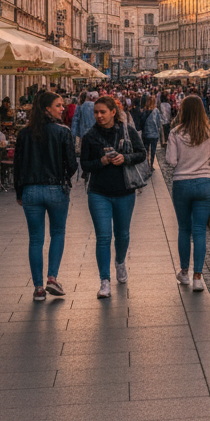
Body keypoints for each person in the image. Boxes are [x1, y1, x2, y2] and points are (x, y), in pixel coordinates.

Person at [80, 95, 146, 299]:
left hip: (124, 191)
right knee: (103, 237)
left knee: (123, 234)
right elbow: (85, 165)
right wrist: (101, 161)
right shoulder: (90, 136)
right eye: (96, 112)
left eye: (102, 112)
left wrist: (124, 158)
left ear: (113, 112)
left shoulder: (127, 130)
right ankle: (104, 281)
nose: (99, 116)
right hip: (98, 192)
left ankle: (120, 262)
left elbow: (141, 153)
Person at [13, 91, 77, 301]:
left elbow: (18, 165)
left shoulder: (24, 134)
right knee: (57, 233)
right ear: (47, 108)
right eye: (58, 105)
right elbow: (71, 165)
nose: (63, 109)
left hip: (30, 190)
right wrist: (62, 176)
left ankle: (38, 288)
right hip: (56, 189)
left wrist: (19, 191)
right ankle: (52, 278)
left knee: (35, 240)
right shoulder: (63, 132)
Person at [166, 95, 210, 292]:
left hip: (182, 183)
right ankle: (198, 277)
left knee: (184, 229)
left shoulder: (175, 133)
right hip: (205, 184)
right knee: (199, 231)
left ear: (183, 111)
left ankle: (184, 272)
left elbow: (171, 161)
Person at [141, 94, 162, 167]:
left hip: (145, 134)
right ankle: (151, 165)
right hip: (154, 134)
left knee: (146, 150)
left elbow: (142, 123)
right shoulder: (156, 111)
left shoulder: (144, 111)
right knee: (153, 151)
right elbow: (159, 122)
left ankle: (146, 164)